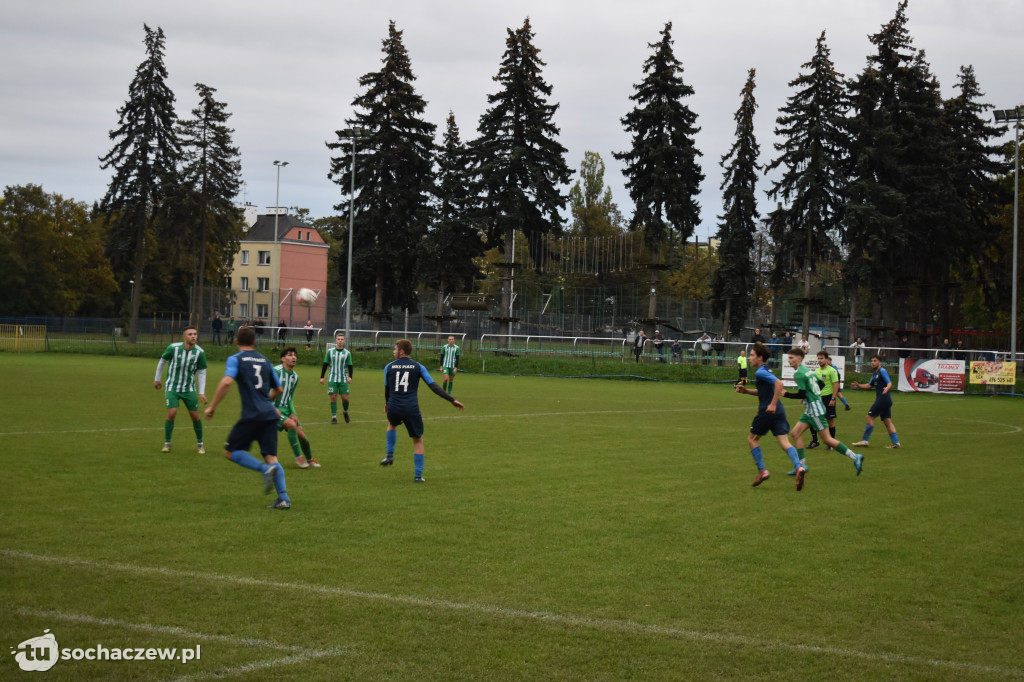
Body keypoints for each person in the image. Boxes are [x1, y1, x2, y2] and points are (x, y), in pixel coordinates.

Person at [204, 326, 291, 509]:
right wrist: (267, 401)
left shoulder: (236, 359)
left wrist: (212, 406)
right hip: (269, 414)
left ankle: (263, 470)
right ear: (254, 342)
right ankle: (283, 498)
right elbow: (279, 389)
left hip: (252, 414)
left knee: (230, 452)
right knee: (271, 456)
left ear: (236, 342)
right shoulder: (265, 360)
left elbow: (227, 381)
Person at [380, 339, 465, 482]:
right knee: (418, 440)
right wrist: (452, 400)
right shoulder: (418, 367)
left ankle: (389, 455)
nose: (394, 352)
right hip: (411, 408)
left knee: (392, 425)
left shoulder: (388, 367)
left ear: (401, 351)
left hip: (394, 405)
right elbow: (434, 387)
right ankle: (418, 476)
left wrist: (387, 404)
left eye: (395, 349)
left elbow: (387, 390)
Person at [734, 343, 806, 491]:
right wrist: (746, 391)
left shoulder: (761, 372)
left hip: (768, 411)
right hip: (779, 411)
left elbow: (779, 384)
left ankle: (762, 471)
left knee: (752, 439)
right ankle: (799, 467)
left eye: (752, 355)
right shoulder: (767, 369)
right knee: (784, 442)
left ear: (760, 357)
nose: (750, 357)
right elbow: (765, 391)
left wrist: (772, 404)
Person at [781, 348, 863, 476]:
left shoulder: (799, 374)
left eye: (791, 358)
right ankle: (802, 466)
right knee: (795, 433)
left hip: (814, 411)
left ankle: (855, 457)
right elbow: (821, 385)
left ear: (799, 359)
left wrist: (785, 394)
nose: (789, 360)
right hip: (811, 409)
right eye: (789, 357)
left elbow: (801, 394)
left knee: (827, 440)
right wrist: (811, 396)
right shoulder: (807, 371)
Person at [153, 326, 208, 454]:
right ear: (184, 337)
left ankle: (200, 444)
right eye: (190, 334)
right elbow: (162, 361)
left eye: (195, 334)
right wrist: (157, 379)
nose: (193, 336)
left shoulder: (200, 353)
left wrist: (201, 392)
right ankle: (167, 444)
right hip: (172, 386)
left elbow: (202, 372)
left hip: (189, 389)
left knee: (195, 416)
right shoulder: (173, 348)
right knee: (172, 413)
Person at [275, 347, 319, 469]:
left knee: (302, 436)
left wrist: (293, 413)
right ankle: (299, 458)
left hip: (286, 410)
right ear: (282, 359)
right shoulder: (276, 371)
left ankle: (310, 459)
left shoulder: (295, 377)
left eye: (295, 355)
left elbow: (289, 397)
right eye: (289, 355)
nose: (293, 357)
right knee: (291, 425)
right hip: (272, 409)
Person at [850, 354, 901, 449]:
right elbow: (869, 386)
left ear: (879, 362)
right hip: (886, 400)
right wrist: (859, 385)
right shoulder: (875, 374)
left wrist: (887, 389)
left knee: (869, 417)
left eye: (875, 361)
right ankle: (896, 443)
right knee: (887, 421)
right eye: (871, 361)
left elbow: (889, 383)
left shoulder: (882, 371)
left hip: (883, 399)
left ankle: (864, 441)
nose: (872, 363)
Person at [321, 332, 353, 424]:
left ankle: (345, 411)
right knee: (333, 397)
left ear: (344, 341)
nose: (340, 341)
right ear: (336, 340)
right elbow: (325, 364)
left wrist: (350, 377)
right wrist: (322, 377)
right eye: (338, 339)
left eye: (342, 339)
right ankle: (334, 417)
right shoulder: (330, 352)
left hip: (343, 378)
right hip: (332, 378)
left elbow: (350, 366)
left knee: (345, 398)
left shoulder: (347, 353)